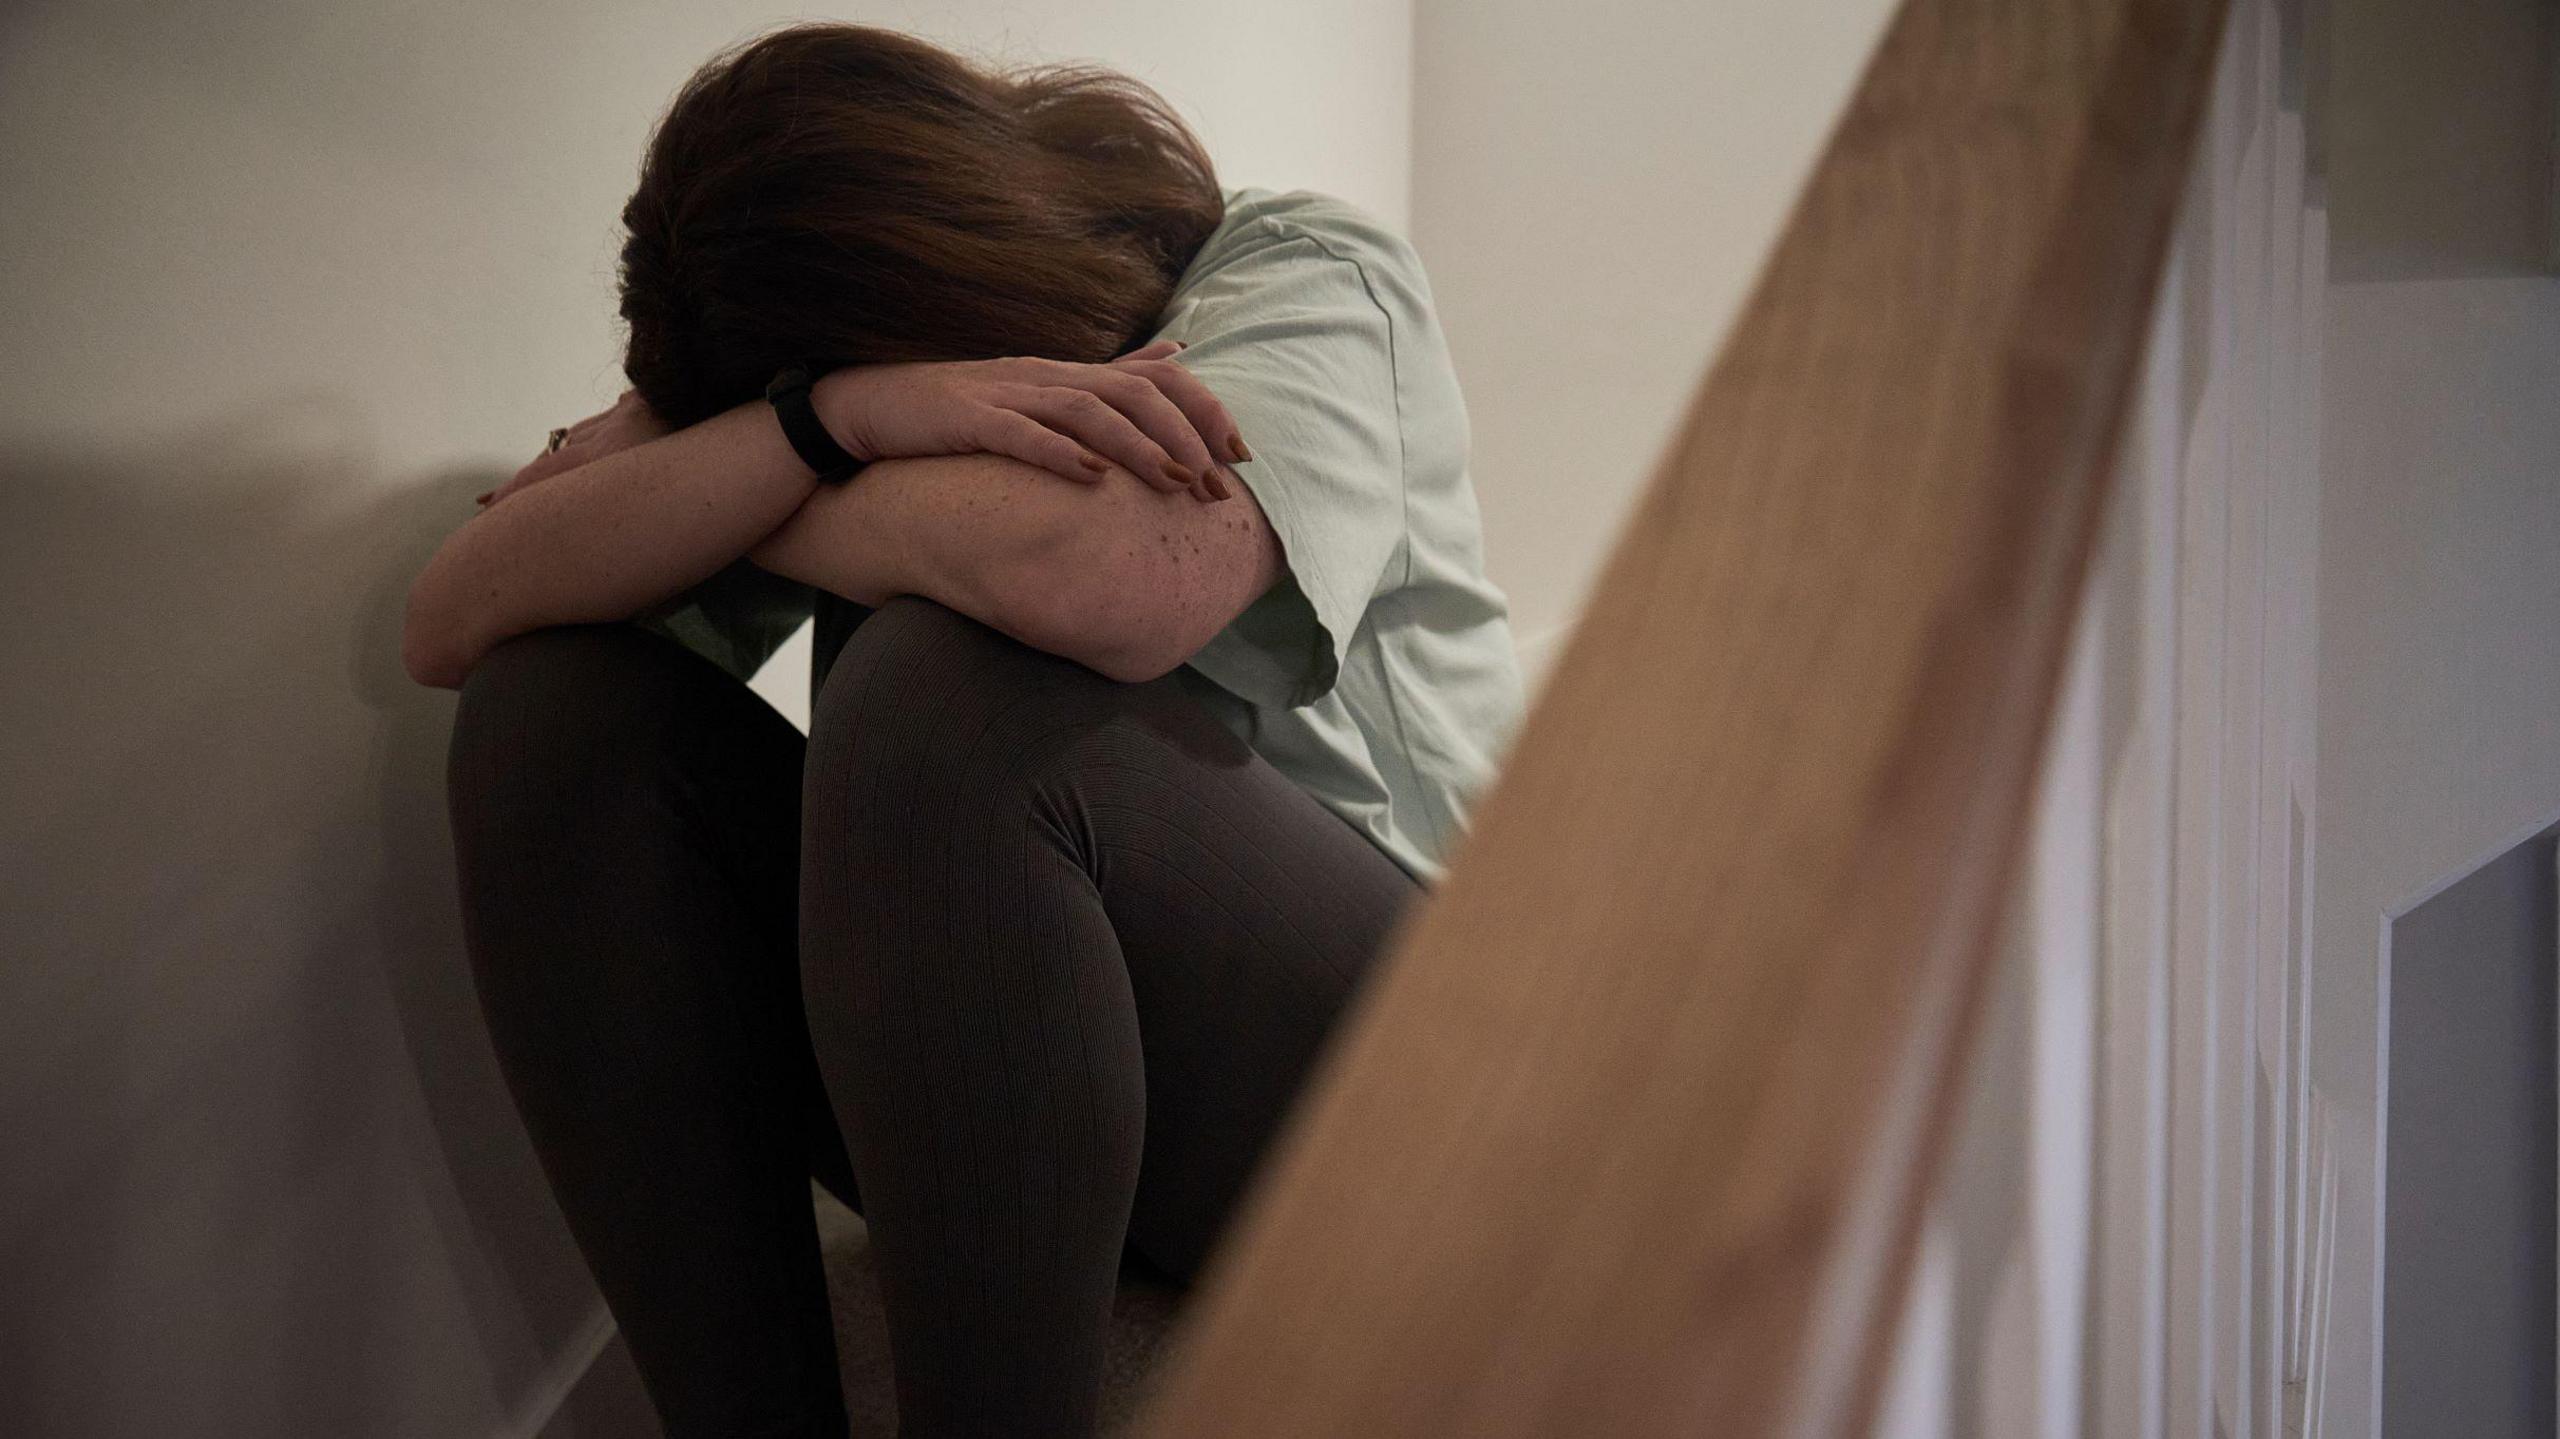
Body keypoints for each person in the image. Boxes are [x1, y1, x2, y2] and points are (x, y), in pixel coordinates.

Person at [403, 21, 1523, 1438]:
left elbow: (1120, 580)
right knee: (555, 714)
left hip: (1426, 1079)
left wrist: (766, 472)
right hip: (1047, 1077)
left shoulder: (1300, 267)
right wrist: (831, 422)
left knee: (951, 692)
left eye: (849, 388)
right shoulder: (842, 390)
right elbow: (451, 623)